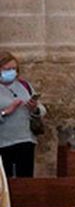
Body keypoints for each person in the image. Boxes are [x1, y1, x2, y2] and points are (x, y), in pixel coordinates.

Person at [0, 51, 42, 179]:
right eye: (7, 69)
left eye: (14, 69)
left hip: (25, 140)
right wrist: (6, 111)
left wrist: (34, 108)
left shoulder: (24, 85)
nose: (11, 72)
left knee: (25, 180)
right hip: (3, 142)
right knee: (6, 181)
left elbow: (41, 109)